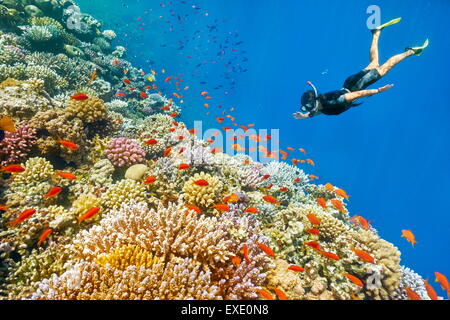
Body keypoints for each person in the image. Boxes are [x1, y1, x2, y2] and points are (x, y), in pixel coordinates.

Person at [293, 18, 428, 120]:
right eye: (307, 108)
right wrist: (304, 116)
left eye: (309, 106)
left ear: (315, 101)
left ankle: (410, 52)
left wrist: (378, 90)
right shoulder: (322, 104)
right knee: (374, 62)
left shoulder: (332, 102)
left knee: (387, 66)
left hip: (357, 85)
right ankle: (376, 32)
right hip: (349, 82)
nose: (310, 109)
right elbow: (317, 111)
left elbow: (356, 95)